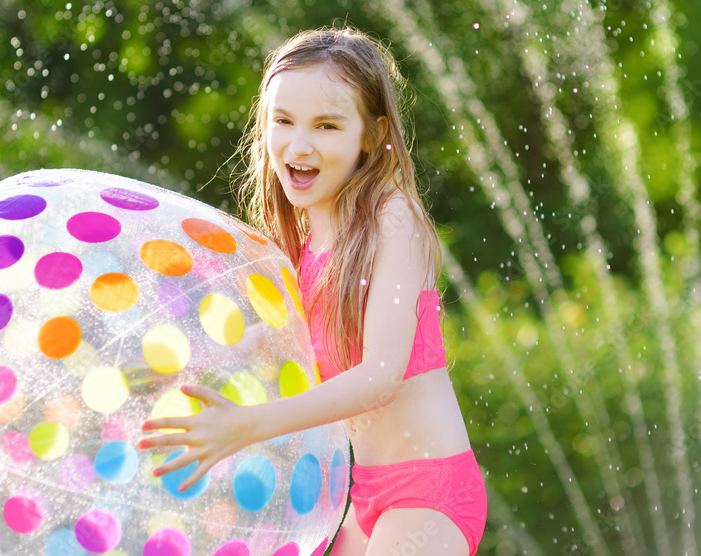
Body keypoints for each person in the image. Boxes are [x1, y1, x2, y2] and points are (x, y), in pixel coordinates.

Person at [138, 27, 486, 555]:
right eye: (283, 121)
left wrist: (246, 425)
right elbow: (287, 350)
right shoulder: (301, 245)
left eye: (326, 125)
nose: (298, 146)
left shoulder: (393, 220)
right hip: (366, 500)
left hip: (429, 494)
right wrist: (190, 371)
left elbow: (380, 376)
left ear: (372, 135)